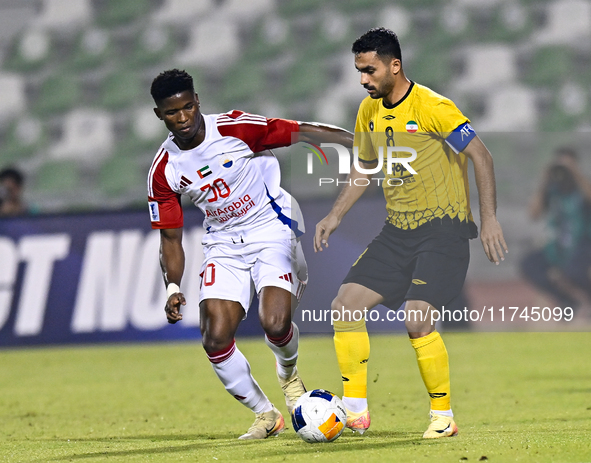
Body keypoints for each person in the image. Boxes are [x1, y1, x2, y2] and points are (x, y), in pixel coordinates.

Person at [314, 28, 508, 438]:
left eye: (370, 70)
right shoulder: (368, 111)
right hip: (397, 231)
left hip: (443, 231)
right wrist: (335, 215)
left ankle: (443, 416)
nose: (363, 79)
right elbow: (364, 167)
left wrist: (488, 218)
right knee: (344, 305)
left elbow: (481, 156)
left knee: (416, 318)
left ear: (394, 66)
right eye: (359, 72)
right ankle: (355, 411)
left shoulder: (434, 107)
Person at [147, 69, 353, 440]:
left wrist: (357, 142)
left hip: (271, 227)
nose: (183, 118)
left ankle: (290, 381)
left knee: (274, 323)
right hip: (222, 243)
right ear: (159, 114)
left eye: (188, 107)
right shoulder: (164, 169)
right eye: (172, 112)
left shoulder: (236, 128)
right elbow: (171, 239)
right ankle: (265, 414)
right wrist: (172, 285)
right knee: (214, 336)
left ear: (198, 102)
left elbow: (301, 130)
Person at [520, 147, 591, 314]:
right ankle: (566, 301)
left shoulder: (583, 186)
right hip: (556, 244)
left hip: (582, 243)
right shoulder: (551, 188)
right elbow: (533, 214)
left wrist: (576, 174)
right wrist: (544, 180)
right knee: (529, 265)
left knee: (574, 272)